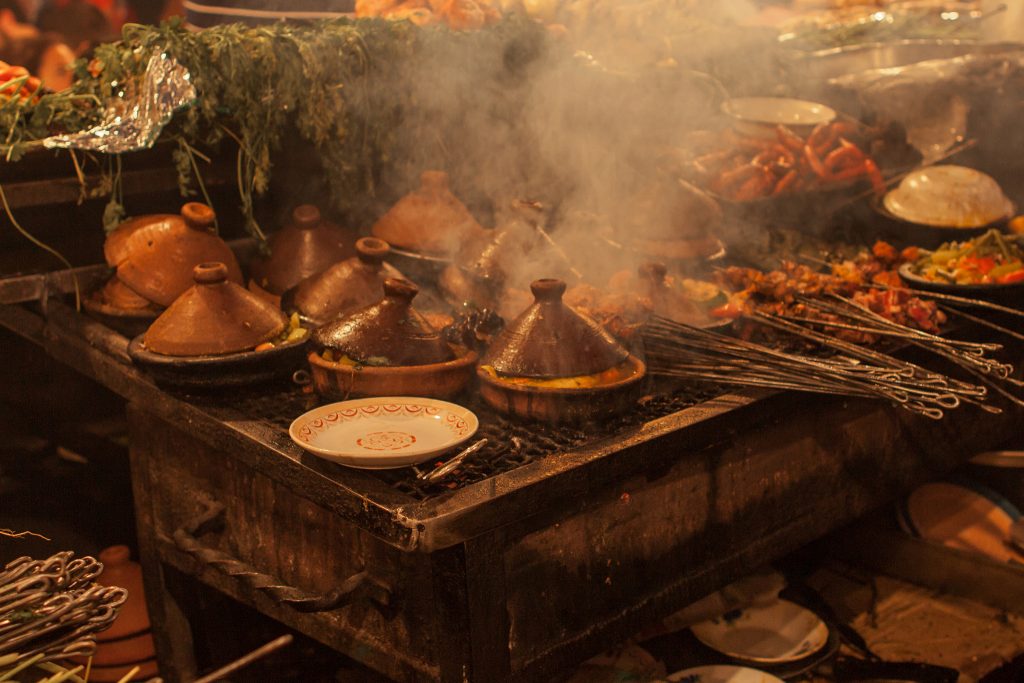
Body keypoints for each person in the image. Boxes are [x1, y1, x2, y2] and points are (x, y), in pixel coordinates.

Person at [37, 0, 115, 56]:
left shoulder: (89, 12)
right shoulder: (46, 13)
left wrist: (88, 48)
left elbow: (105, 40)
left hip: (87, 61)